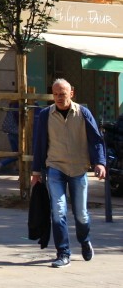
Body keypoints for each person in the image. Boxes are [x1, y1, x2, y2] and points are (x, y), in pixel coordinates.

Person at [31, 78, 107, 268]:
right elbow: (39, 144)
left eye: (62, 94)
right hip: (55, 167)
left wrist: (100, 163)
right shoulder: (45, 115)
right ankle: (63, 252)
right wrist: (36, 171)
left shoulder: (83, 113)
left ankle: (84, 240)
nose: (58, 97)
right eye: (55, 94)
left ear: (71, 93)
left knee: (81, 213)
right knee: (58, 211)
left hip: (78, 169)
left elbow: (95, 140)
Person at [0, 101, 19, 179]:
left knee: (16, 154)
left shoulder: (12, 105)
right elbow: (19, 118)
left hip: (10, 132)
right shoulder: (18, 105)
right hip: (17, 133)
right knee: (20, 154)